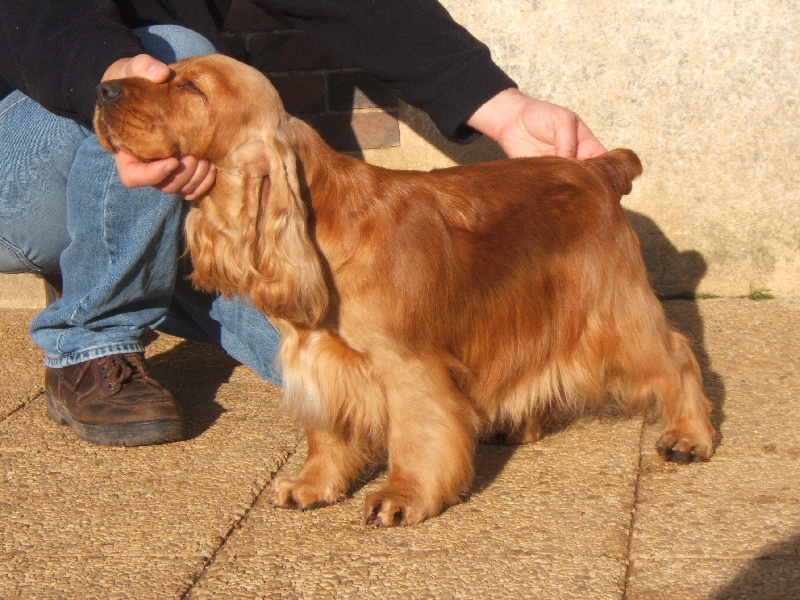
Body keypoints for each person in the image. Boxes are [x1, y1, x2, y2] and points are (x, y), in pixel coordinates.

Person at [0, 0, 606, 447]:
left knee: (345, 361)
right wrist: (110, 75)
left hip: (152, 154)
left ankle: (124, 257)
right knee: (169, 54)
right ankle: (89, 337)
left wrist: (501, 110)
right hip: (25, 142)